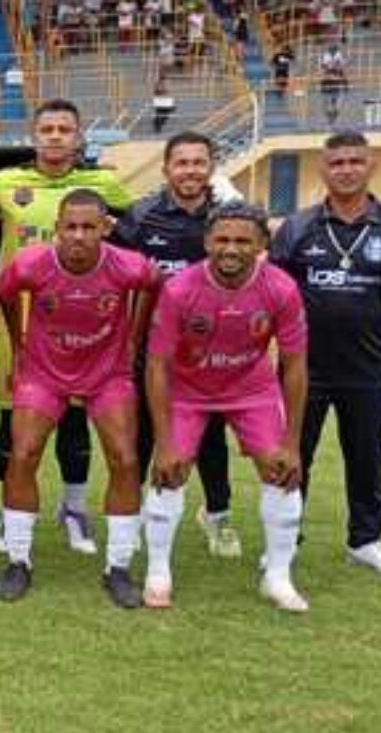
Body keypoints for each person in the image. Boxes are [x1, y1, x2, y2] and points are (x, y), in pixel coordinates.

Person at [269, 130, 381, 579]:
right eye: (337, 162)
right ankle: (285, 540)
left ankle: (366, 541)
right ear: (323, 169)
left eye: (354, 161)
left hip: (367, 370)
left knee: (367, 458)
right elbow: (271, 296)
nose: (346, 169)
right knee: (290, 457)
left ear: (371, 166)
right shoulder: (297, 228)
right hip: (301, 368)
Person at [0, 99, 136, 558]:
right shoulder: (5, 183)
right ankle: (12, 519)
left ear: (79, 136)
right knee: (14, 422)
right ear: (33, 135)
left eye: (64, 129)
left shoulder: (103, 184)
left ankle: (73, 509)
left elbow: (142, 229)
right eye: (46, 128)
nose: (54, 136)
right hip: (23, 326)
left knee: (76, 420)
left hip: (91, 327)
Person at [144, 202, 311, 612]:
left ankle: (278, 576)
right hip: (188, 389)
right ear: (206, 242)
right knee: (170, 470)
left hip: (251, 388)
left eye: (242, 241)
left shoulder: (281, 288)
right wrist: (164, 442)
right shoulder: (180, 288)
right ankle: (158, 572)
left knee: (281, 470)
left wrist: (292, 442)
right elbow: (157, 365)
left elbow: (294, 365)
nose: (231, 249)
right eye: (222, 239)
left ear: (261, 245)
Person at [0, 189, 158, 607]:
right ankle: (18, 560)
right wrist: (19, 344)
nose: (80, 236)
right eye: (71, 227)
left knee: (125, 457)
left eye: (89, 227)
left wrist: (134, 339)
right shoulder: (31, 263)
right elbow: (4, 294)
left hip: (107, 373)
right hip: (44, 372)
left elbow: (152, 285)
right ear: (57, 229)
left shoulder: (128, 266)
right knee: (24, 453)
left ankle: (118, 567)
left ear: (105, 228)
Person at [112, 131, 240, 558]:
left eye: (199, 162)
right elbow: (114, 278)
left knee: (211, 440)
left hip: (212, 353)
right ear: (166, 169)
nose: (190, 170)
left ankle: (217, 516)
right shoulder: (141, 217)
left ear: (211, 167)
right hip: (151, 353)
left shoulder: (227, 218)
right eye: (181, 163)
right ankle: (135, 519)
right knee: (142, 437)